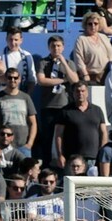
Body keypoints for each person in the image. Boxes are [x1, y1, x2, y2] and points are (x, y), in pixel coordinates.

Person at [37, 35, 80, 166]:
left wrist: (64, 63)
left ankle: (66, 164)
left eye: (58, 46)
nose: (56, 48)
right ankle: (47, 165)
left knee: (65, 138)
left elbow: (75, 80)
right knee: (47, 138)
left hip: (65, 105)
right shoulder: (43, 62)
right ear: (49, 47)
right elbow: (42, 80)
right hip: (49, 105)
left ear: (63, 47)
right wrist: (62, 80)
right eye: (53, 46)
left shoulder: (69, 63)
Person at [54, 81, 108, 171]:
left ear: (87, 92)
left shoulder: (97, 110)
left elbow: (104, 133)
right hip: (72, 158)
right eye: (77, 91)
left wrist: (102, 152)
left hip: (93, 157)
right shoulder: (65, 111)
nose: (80, 93)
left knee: (91, 184)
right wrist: (60, 154)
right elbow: (58, 135)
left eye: (83, 91)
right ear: (73, 93)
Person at [0, 68, 37, 154]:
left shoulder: (26, 98)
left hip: (22, 147)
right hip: (1, 147)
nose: (13, 80)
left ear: (19, 79)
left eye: (15, 78)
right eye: (10, 78)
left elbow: (33, 123)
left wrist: (29, 143)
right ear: (5, 79)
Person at [74, 11, 112, 84]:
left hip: (108, 75)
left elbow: (111, 55)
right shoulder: (81, 39)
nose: (93, 26)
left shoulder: (103, 37)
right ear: (85, 25)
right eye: (90, 24)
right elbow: (79, 60)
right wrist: (85, 75)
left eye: (95, 23)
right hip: (91, 77)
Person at [0, 27, 37, 95]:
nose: (13, 43)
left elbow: (32, 80)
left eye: (16, 40)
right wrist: (3, 77)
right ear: (6, 39)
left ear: (21, 40)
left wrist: (27, 95)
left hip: (21, 96)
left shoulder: (27, 56)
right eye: (10, 39)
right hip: (3, 96)